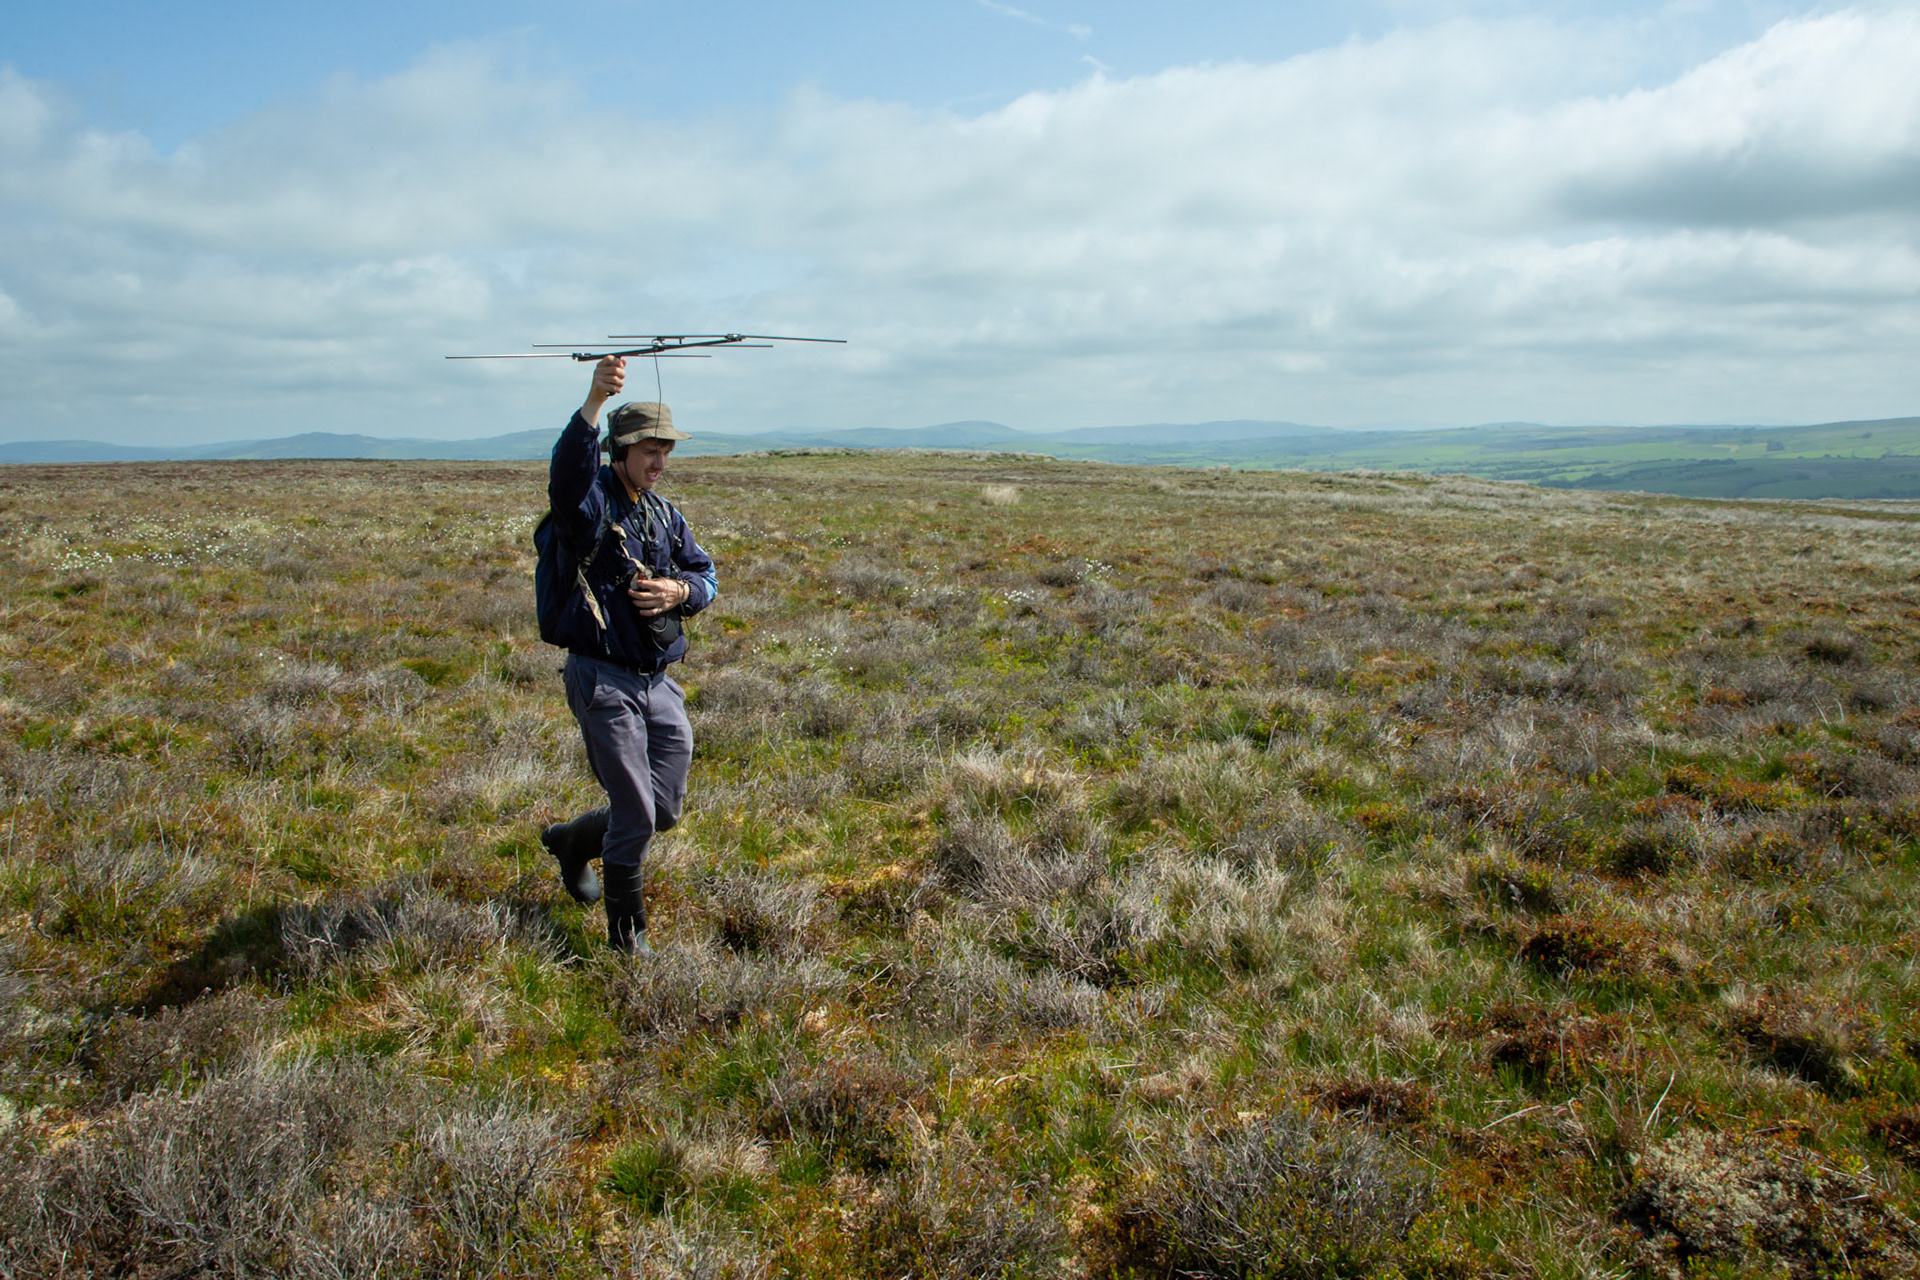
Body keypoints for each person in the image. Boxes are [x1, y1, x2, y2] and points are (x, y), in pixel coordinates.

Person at [539, 355, 717, 954]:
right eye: (648, 450)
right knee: (636, 813)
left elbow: (706, 575)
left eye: (666, 450)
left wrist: (682, 591)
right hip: (603, 679)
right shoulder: (590, 509)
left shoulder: (663, 513)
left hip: (658, 682)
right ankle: (627, 942)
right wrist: (592, 403)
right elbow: (564, 482)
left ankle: (571, 841)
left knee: (663, 810)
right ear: (620, 449)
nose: (660, 462)